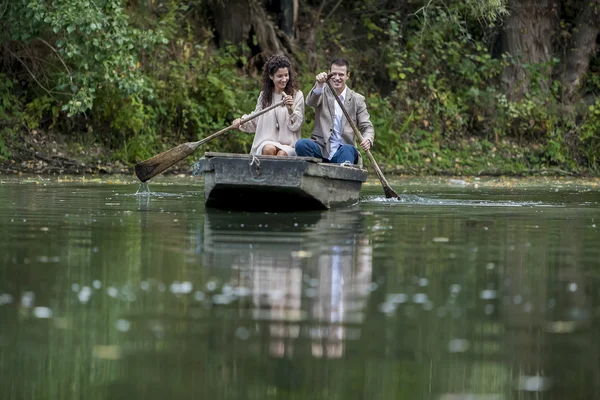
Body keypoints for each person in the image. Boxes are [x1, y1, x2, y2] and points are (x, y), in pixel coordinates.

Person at [295, 58, 374, 165]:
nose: (337, 78)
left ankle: (344, 171)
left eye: (341, 74)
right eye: (334, 74)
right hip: (322, 149)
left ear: (347, 76)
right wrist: (319, 84)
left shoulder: (357, 99)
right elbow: (310, 102)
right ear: (328, 73)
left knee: (348, 150)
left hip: (343, 151)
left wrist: (367, 140)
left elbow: (367, 126)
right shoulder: (322, 91)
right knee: (301, 144)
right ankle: (312, 172)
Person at [233, 54, 305, 156]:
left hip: (289, 146)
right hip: (267, 142)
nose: (284, 79)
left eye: (286, 75)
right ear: (271, 76)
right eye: (279, 76)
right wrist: (241, 122)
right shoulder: (264, 96)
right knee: (268, 148)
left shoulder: (297, 95)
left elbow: (296, 125)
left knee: (282, 154)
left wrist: (291, 109)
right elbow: (255, 119)